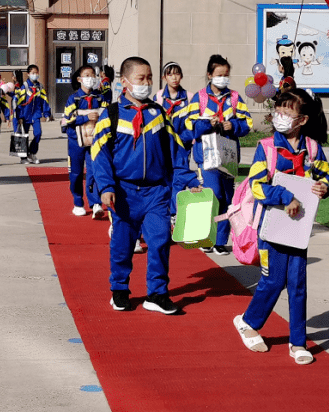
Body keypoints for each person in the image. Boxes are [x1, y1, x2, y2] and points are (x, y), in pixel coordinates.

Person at [91, 56, 201, 315]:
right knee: (123, 244)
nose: (146, 83)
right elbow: (99, 154)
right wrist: (106, 187)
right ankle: (119, 290)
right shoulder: (112, 114)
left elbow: (176, 151)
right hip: (124, 192)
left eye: (149, 78)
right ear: (125, 82)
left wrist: (189, 180)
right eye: (141, 78)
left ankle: (157, 294)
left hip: (156, 192)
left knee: (160, 240)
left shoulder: (158, 113)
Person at [233, 88, 329, 365]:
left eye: (288, 112)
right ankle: (249, 322)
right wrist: (284, 196)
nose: (281, 116)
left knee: (298, 284)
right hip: (271, 227)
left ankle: (298, 342)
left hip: (298, 228)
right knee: (273, 280)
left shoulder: (313, 148)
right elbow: (256, 186)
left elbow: (324, 176)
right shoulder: (266, 147)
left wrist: (324, 187)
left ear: (303, 120)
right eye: (279, 111)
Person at [184, 54, 251, 255]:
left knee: (227, 198)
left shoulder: (235, 97)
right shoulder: (199, 98)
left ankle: (220, 241)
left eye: (226, 75)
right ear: (209, 75)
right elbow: (190, 124)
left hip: (228, 156)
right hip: (206, 156)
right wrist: (207, 124)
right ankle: (206, 237)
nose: (223, 78)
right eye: (219, 74)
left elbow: (247, 123)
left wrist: (234, 125)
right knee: (212, 195)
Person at [63, 65, 107, 217]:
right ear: (79, 79)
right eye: (87, 75)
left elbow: (107, 115)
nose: (91, 78)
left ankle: (95, 203)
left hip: (94, 140)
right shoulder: (73, 99)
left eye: (93, 75)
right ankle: (78, 202)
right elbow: (67, 120)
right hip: (76, 141)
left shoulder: (100, 98)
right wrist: (85, 117)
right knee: (76, 173)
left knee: (94, 171)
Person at [14, 65, 53, 165]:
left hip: (36, 114)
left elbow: (44, 100)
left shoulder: (40, 87)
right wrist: (19, 116)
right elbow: (18, 102)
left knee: (38, 133)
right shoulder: (24, 86)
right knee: (24, 136)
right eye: (33, 73)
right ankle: (23, 158)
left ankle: (31, 153)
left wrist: (47, 113)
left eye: (36, 73)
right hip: (25, 115)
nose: (35, 75)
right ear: (28, 74)